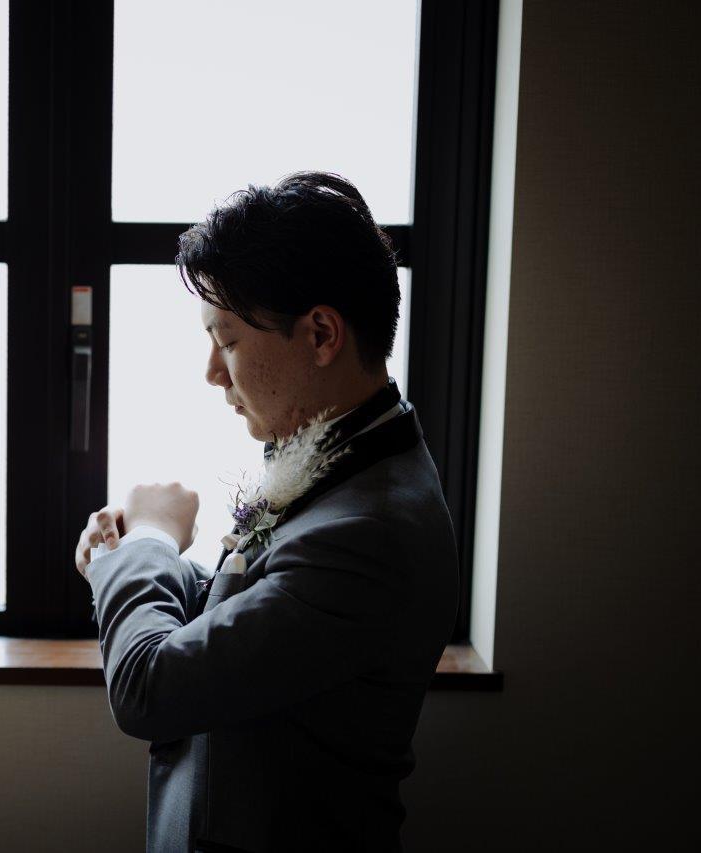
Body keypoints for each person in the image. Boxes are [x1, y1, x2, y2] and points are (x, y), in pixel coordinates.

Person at [73, 172, 459, 853]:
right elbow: (261, 615)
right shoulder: (347, 456)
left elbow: (148, 689)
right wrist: (122, 558)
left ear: (320, 334)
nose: (212, 372)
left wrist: (153, 539)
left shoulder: (370, 531)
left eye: (226, 340)